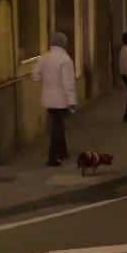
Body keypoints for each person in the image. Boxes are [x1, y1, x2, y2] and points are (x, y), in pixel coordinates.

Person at [33, 32, 77, 167]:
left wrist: (46, 82)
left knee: (58, 123)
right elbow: (68, 83)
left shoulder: (45, 57)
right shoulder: (65, 60)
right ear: (64, 43)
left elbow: (35, 76)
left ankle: (63, 151)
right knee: (57, 127)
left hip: (48, 98)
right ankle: (52, 157)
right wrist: (72, 102)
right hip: (61, 99)